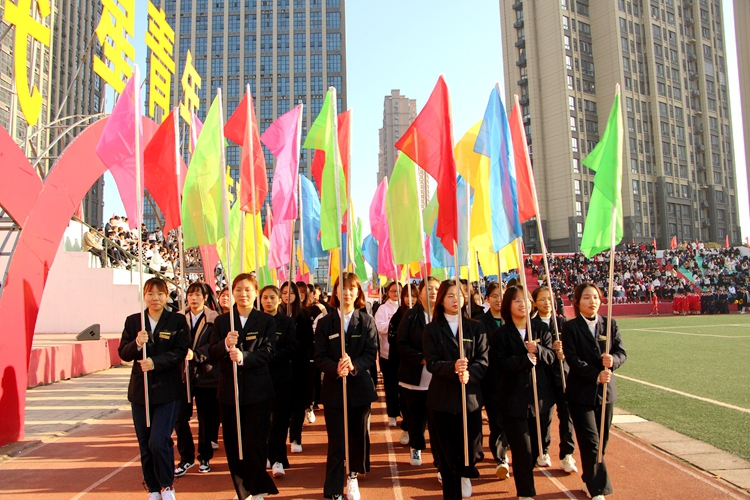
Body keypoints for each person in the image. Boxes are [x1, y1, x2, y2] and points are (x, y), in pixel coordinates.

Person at [119, 277, 190, 500]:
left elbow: (181, 351)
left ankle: (167, 485)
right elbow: (123, 353)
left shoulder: (177, 321)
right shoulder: (134, 322)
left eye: (160, 294)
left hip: (167, 391)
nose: (155, 298)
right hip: (141, 393)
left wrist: (156, 362)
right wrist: (137, 344)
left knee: (159, 440)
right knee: (145, 443)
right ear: (144, 295)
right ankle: (153, 489)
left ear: (167, 296)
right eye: (150, 294)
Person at [209, 274, 278, 500]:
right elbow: (211, 352)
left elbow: (268, 353)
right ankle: (243, 491)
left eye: (248, 290)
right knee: (233, 444)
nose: (243, 294)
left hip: (258, 392)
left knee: (254, 443)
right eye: (238, 290)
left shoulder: (266, 321)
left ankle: (257, 487)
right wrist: (224, 344)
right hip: (229, 392)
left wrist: (243, 357)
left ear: (255, 292)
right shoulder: (222, 322)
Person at [314, 273, 378, 500]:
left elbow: (371, 354)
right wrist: (335, 368)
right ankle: (332, 489)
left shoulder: (366, 320)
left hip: (360, 390)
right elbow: (319, 356)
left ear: (358, 292)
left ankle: (352, 477)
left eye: (352, 288)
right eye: (343, 288)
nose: (347, 293)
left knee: (356, 438)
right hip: (333, 391)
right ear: (335, 292)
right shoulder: (325, 323)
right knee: (337, 442)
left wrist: (353, 366)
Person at [424, 280, 488, 500]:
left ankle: (465, 474)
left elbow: (483, 360)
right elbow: (432, 362)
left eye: (458, 295)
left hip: (469, 400)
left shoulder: (475, 327)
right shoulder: (432, 329)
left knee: (469, 450)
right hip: (442, 401)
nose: (454, 299)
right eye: (449, 295)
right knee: (448, 458)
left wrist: (470, 374)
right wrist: (452, 367)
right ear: (441, 300)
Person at [562, 283, 627, 500]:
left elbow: (621, 352)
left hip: (606, 393)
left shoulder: (610, 325)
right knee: (591, 442)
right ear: (578, 302)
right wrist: (594, 374)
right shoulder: (570, 328)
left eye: (596, 297)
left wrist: (613, 361)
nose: (592, 302)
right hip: (580, 393)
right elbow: (572, 358)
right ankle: (598, 488)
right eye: (587, 298)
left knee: (602, 441)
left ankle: (588, 478)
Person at [491, 285, 555, 500]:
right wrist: (524, 361)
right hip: (513, 400)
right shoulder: (500, 334)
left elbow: (551, 357)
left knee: (537, 449)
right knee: (521, 450)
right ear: (509, 305)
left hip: (540, 399)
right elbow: (499, 363)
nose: (522, 304)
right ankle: (526, 493)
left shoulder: (541, 329)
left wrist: (539, 350)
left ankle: (528, 480)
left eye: (526, 300)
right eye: (517, 300)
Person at [174, 283, 220, 477]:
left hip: (206, 375)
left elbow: (215, 346)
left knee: (205, 418)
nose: (194, 298)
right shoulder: (178, 319)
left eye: (198, 295)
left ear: (205, 297)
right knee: (180, 417)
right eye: (191, 294)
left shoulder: (214, 320)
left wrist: (196, 354)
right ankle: (186, 458)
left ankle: (204, 457)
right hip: (182, 375)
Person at [531, 286, 577, 474]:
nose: (546, 302)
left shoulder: (563, 323)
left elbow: (574, 350)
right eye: (542, 299)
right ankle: (543, 450)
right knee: (544, 416)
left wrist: (564, 351)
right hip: (543, 377)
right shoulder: (531, 325)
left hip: (563, 376)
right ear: (535, 302)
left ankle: (567, 454)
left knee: (567, 416)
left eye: (549, 298)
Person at [397, 277, 439, 465]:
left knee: (438, 420)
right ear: (420, 292)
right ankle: (416, 446)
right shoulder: (411, 316)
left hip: (440, 378)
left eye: (437, 289)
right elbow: (401, 343)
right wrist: (420, 358)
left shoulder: (444, 316)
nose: (432, 292)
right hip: (413, 377)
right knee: (415, 417)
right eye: (428, 288)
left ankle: (440, 459)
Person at [260, 285, 297, 478]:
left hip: (282, 377)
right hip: (259, 377)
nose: (268, 301)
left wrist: (267, 357)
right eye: (265, 297)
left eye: (272, 297)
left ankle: (278, 459)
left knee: (281, 420)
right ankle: (265, 454)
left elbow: (291, 348)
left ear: (279, 300)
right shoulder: (255, 321)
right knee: (263, 420)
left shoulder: (287, 322)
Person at [477, 282, 510, 479]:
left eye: (502, 295)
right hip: (491, 379)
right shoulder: (480, 322)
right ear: (487, 299)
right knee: (496, 420)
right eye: (494, 295)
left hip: (513, 379)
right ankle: (501, 457)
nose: (499, 299)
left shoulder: (514, 320)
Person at [284, 281, 316, 453]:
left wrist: (292, 347)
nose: (287, 296)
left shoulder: (303, 315)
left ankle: (296, 436)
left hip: (299, 366)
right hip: (279, 366)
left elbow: (308, 342)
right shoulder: (273, 316)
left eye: (291, 293)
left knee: (297, 404)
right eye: (283, 293)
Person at [374, 281, 402, 428]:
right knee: (391, 385)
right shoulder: (383, 309)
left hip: (404, 355)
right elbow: (379, 327)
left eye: (398, 291)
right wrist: (394, 324)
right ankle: (392, 414)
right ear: (388, 293)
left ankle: (404, 412)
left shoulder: (406, 307)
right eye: (393, 291)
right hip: (387, 354)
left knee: (404, 387)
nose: (396, 294)